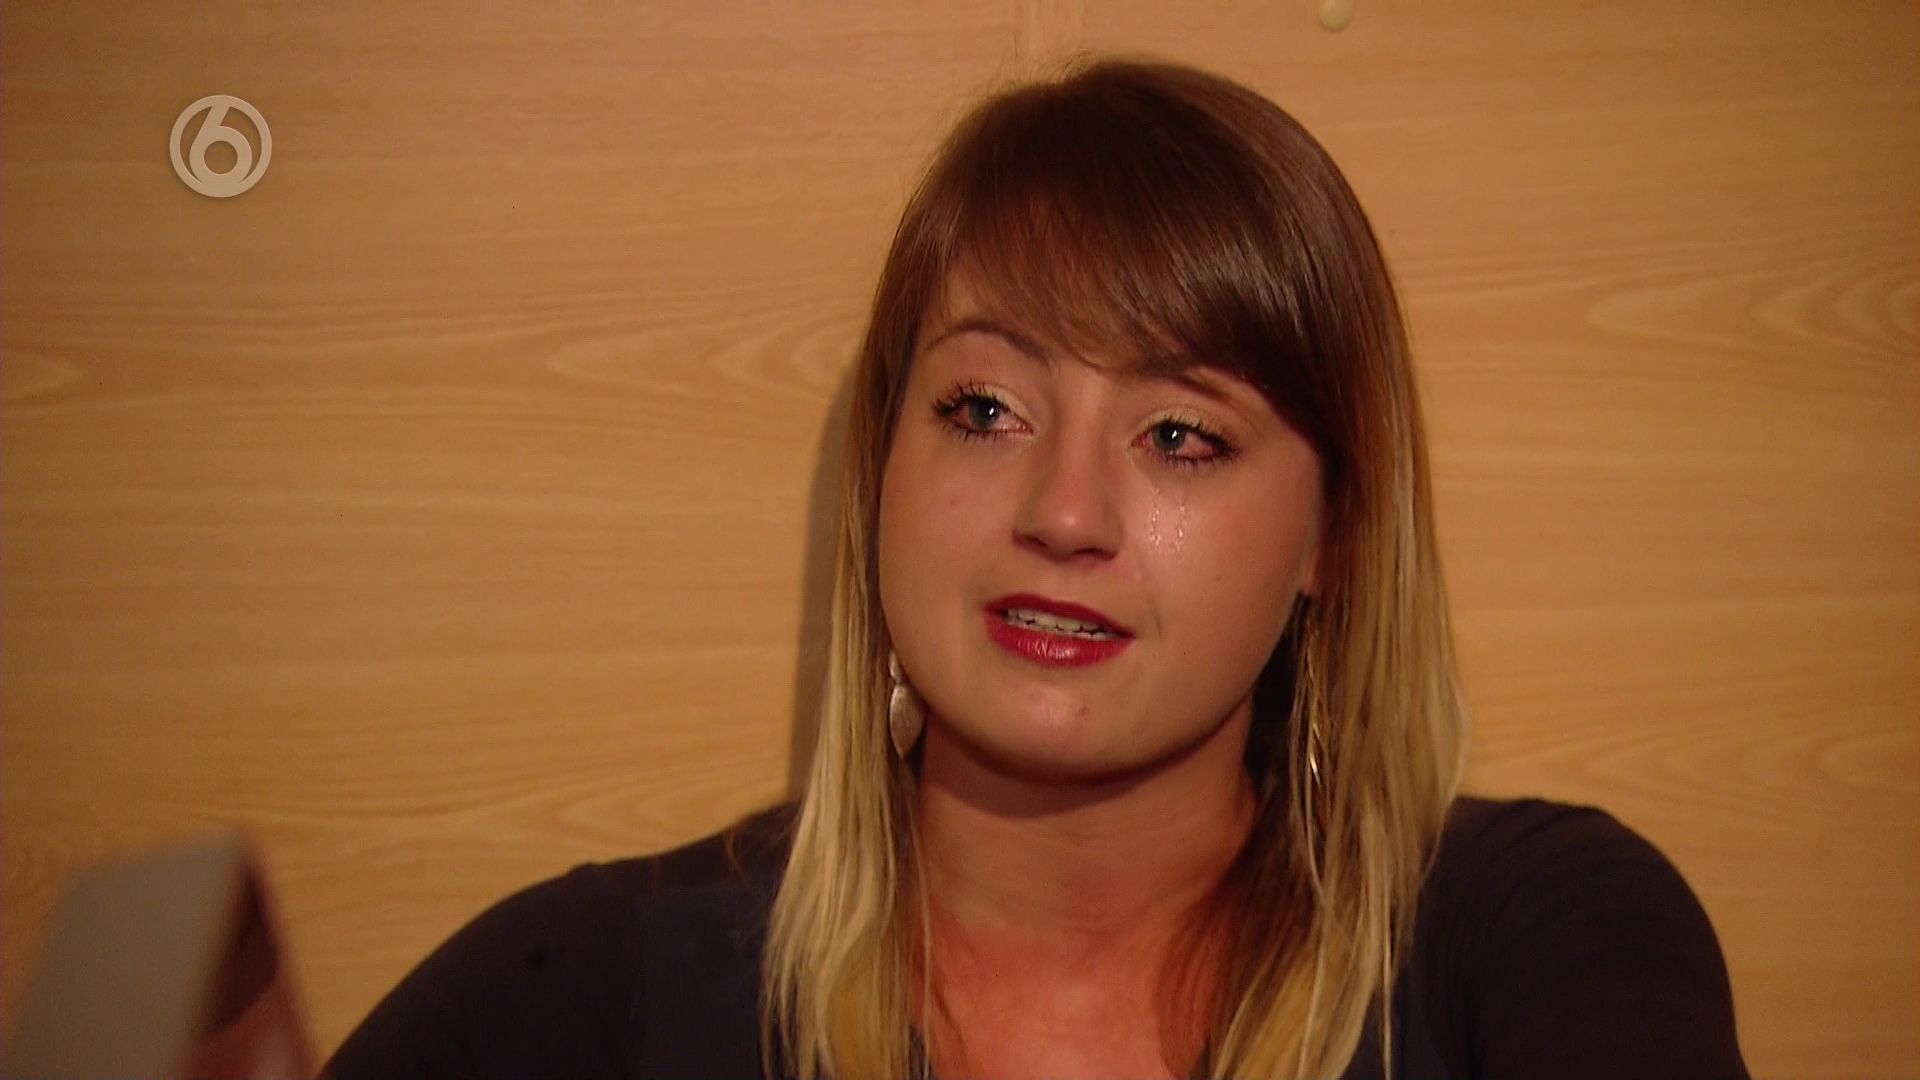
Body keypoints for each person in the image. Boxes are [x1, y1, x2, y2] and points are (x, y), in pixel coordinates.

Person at [325, 58, 1748, 1080]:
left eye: (1181, 436)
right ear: (885, 471)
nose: (1065, 513)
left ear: (1337, 535)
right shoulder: (593, 986)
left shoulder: (1532, 931)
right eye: (985, 410)